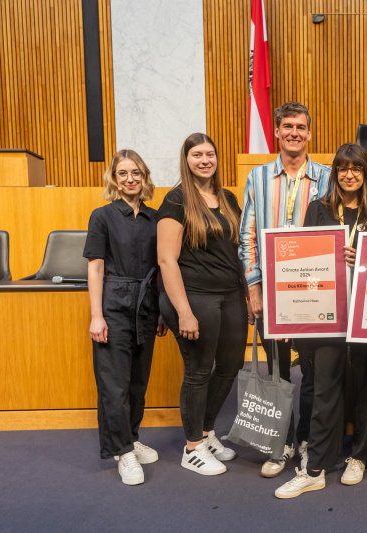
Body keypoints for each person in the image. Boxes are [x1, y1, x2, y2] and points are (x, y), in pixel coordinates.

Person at [274, 142, 367, 498]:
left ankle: (360, 456)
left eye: (356, 168)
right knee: (325, 386)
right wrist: (289, 316)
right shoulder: (319, 209)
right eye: (342, 168)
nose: (349, 175)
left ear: (366, 173)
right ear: (335, 173)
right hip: (328, 314)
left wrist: (364, 258)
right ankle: (316, 468)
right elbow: (302, 263)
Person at [239, 101, 331, 478]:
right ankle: (281, 443)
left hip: (314, 291)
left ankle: (306, 439)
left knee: (311, 371)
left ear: (309, 133)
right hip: (271, 293)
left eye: (300, 127)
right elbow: (247, 237)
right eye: (287, 126)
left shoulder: (327, 177)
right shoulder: (258, 177)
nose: (294, 132)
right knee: (277, 371)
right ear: (276, 131)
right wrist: (254, 289)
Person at [157, 133, 250, 476]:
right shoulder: (176, 199)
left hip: (230, 295)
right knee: (198, 370)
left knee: (230, 365)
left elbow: (238, 251)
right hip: (195, 296)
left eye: (210, 154)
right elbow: (166, 260)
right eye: (197, 155)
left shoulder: (227, 198)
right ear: (187, 160)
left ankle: (207, 432)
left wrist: (248, 295)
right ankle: (192, 447)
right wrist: (183, 312)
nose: (205, 160)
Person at [84, 149, 167, 486]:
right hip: (114, 306)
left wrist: (160, 311)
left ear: (144, 177)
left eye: (136, 173)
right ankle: (122, 451)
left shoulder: (156, 218)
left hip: (146, 307)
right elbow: (95, 268)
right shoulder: (102, 216)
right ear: (114, 180)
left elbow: (161, 269)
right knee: (114, 383)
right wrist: (97, 316)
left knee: (137, 382)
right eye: (123, 173)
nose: (130, 179)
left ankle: (131, 437)